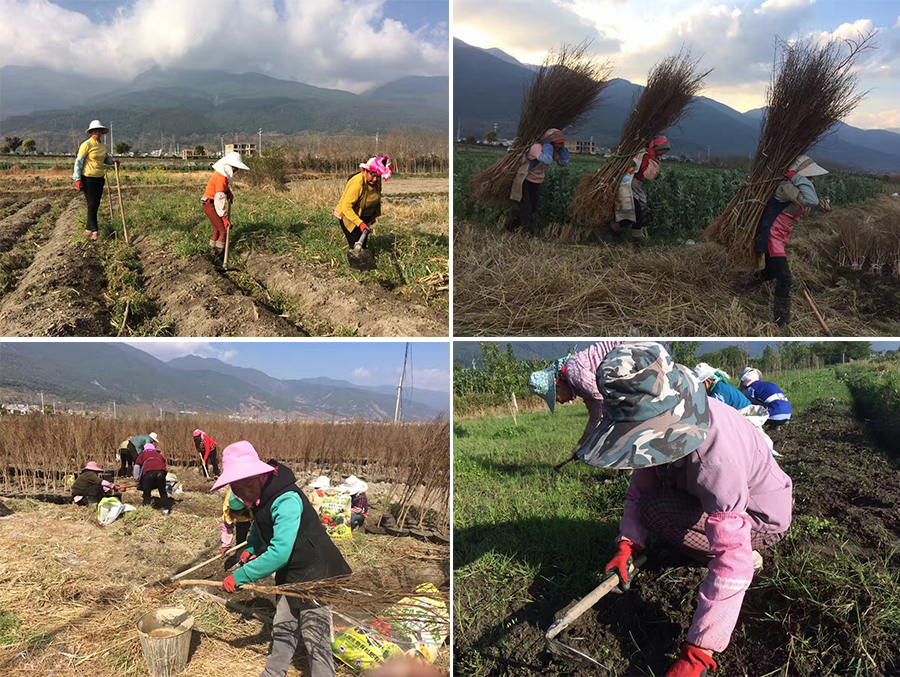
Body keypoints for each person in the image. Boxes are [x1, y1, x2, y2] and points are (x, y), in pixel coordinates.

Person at [574, 342, 792, 676]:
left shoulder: (714, 454)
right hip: (721, 498)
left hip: (759, 518)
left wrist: (697, 654)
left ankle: (754, 553)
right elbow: (639, 488)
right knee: (650, 504)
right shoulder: (669, 419)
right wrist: (627, 545)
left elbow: (731, 560)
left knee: (659, 512)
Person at [213, 441, 352, 677]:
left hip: (316, 571)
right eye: (236, 487)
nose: (244, 492)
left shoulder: (286, 499)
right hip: (292, 571)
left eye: (247, 484)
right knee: (283, 625)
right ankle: (273, 672)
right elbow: (260, 521)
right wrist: (254, 545)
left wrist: (240, 575)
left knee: (313, 634)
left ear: (260, 475)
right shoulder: (261, 494)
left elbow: (279, 553)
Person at [736, 154, 832, 327]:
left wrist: (821, 207)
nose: (811, 179)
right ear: (799, 175)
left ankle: (742, 284)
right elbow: (811, 200)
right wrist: (796, 178)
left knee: (772, 272)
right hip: (773, 236)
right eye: (808, 176)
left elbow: (806, 205)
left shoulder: (795, 188)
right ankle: (781, 320)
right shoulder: (786, 187)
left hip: (780, 235)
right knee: (785, 278)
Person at [528, 341, 625, 446]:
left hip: (627, 351)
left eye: (556, 398)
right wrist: (580, 446)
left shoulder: (574, 373)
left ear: (558, 386)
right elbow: (596, 416)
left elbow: (606, 396)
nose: (560, 402)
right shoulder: (582, 388)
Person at [507, 128, 570, 235]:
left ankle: (510, 227)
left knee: (533, 208)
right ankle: (528, 234)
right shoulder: (536, 147)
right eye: (557, 143)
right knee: (526, 208)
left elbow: (563, 162)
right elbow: (546, 159)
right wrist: (548, 145)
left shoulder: (552, 150)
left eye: (561, 144)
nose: (559, 146)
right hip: (524, 181)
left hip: (536, 182)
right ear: (550, 142)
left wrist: (562, 150)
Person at [614, 136, 669, 248]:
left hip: (635, 187)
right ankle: (636, 244)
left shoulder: (648, 156)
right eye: (662, 151)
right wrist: (652, 159)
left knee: (635, 213)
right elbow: (648, 175)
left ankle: (612, 227)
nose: (662, 154)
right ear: (655, 148)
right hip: (627, 185)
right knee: (637, 214)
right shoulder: (643, 156)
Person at [72, 120, 120, 240]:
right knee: (91, 204)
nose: (98, 134)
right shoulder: (86, 145)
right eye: (95, 131)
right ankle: (95, 231)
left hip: (99, 178)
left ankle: (88, 229)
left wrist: (112, 161)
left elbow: (105, 158)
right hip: (88, 178)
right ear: (91, 132)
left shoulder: (102, 146)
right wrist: (77, 179)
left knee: (96, 204)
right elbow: (78, 162)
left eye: (99, 131)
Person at [334, 156, 392, 252]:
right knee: (356, 247)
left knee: (363, 244)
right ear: (366, 171)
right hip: (349, 216)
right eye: (372, 175)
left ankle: (365, 262)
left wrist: (373, 215)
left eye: (378, 176)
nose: (375, 179)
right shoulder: (357, 183)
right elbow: (346, 206)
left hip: (364, 215)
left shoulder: (377, 182)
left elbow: (376, 198)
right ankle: (358, 265)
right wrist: (360, 223)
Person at [202, 151, 250, 258]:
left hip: (209, 204)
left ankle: (212, 253)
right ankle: (220, 256)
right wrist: (224, 218)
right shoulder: (221, 177)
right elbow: (219, 198)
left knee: (216, 230)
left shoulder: (221, 175)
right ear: (231, 167)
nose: (236, 171)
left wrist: (228, 193)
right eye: (236, 168)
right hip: (211, 204)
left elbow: (223, 189)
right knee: (223, 231)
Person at [134, 442, 169, 510]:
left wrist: (136, 479)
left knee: (146, 493)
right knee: (162, 492)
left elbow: (136, 466)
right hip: (161, 473)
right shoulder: (159, 455)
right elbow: (164, 464)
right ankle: (166, 509)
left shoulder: (142, 454)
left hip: (148, 473)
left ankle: (146, 509)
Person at [221, 487, 253, 559]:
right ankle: (239, 556)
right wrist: (225, 545)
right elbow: (227, 525)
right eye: (236, 513)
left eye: (240, 512)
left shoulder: (254, 499)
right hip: (246, 514)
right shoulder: (227, 507)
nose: (238, 514)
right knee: (241, 536)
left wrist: (251, 549)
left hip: (252, 510)